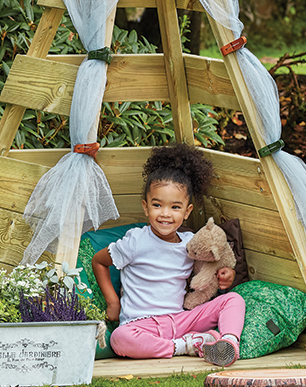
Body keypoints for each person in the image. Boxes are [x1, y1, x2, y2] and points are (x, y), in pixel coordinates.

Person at [91, 143, 244, 366]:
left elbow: (213, 265)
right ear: (146, 207)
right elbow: (98, 261)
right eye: (157, 205)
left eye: (175, 207)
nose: (165, 214)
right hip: (141, 325)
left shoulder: (191, 242)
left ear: (187, 211)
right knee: (119, 339)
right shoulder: (136, 240)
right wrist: (113, 302)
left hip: (182, 320)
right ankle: (187, 345)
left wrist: (226, 274)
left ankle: (228, 343)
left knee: (234, 299)